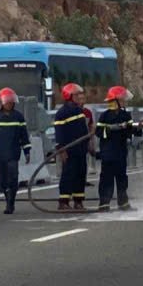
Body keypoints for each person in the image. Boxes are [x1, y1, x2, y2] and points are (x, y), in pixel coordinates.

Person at [0, 87, 32, 214]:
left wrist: (27, 151)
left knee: (13, 179)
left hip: (13, 154)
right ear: (1, 102)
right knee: (2, 181)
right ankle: (7, 197)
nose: (9, 104)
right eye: (7, 101)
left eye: (11, 102)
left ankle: (10, 203)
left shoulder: (18, 117)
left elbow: (24, 136)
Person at [95, 86, 140, 212]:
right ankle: (104, 204)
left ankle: (123, 203)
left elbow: (129, 131)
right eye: (122, 100)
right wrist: (112, 128)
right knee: (106, 179)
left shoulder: (126, 115)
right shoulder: (105, 116)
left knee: (122, 178)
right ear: (115, 101)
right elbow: (99, 132)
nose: (124, 103)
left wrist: (137, 129)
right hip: (108, 153)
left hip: (120, 152)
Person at [53, 82, 92, 211]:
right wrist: (61, 149)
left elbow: (83, 129)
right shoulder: (62, 113)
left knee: (81, 175)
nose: (78, 97)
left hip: (80, 149)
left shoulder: (79, 111)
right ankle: (63, 202)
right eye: (76, 95)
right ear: (69, 96)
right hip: (69, 150)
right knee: (68, 175)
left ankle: (78, 201)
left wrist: (88, 143)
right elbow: (59, 133)